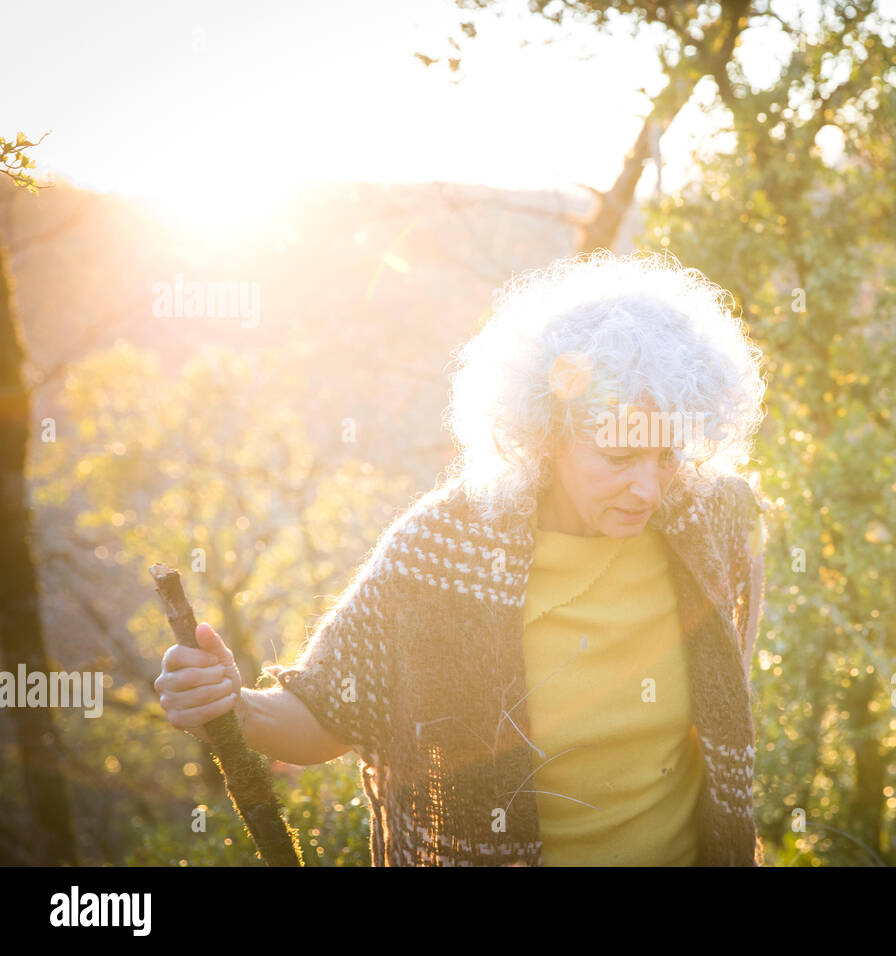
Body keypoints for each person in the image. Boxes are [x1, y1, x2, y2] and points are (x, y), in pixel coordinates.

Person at [155, 250, 769, 865]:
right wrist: (232, 704)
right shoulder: (440, 555)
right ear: (547, 434)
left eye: (667, 456)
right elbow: (325, 717)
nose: (650, 488)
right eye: (618, 458)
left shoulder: (705, 520)